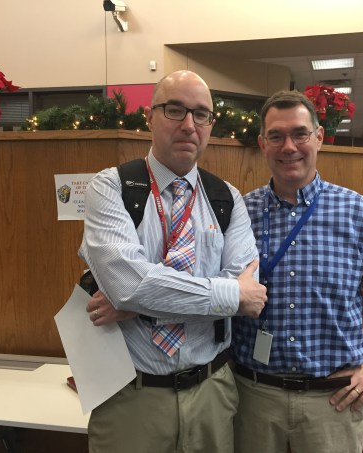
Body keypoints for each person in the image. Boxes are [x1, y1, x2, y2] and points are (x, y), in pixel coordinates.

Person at [78, 70, 267, 453]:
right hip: (131, 399)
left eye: (201, 114)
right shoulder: (110, 187)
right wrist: (226, 294)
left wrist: (139, 305)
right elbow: (131, 286)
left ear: (210, 124)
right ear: (150, 116)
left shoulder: (228, 199)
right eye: (175, 110)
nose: (188, 125)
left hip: (211, 394)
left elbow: (246, 292)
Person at [230, 90, 363, 453]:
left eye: (300, 134)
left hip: (332, 401)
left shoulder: (358, 212)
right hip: (254, 398)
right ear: (262, 143)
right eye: (276, 136)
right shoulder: (241, 213)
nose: (289, 146)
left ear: (319, 137)